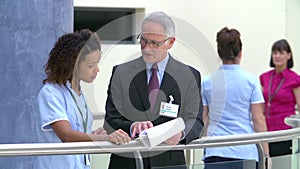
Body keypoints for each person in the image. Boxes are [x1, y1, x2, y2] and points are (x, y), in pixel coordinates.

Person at [103, 11, 203, 169]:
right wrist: (132, 126)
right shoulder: (121, 73)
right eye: (143, 40)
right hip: (128, 161)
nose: (147, 48)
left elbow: (196, 121)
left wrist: (180, 134)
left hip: (169, 162)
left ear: (170, 43)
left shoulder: (189, 76)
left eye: (154, 43)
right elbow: (110, 119)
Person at [37, 29, 131, 169]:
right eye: (91, 66)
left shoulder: (78, 93)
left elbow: (77, 133)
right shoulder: (51, 93)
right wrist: (104, 138)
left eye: (97, 64)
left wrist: (93, 134)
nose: (97, 70)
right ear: (73, 65)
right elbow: (66, 135)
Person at [201, 27, 269, 169]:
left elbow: (204, 119)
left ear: (220, 54)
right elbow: (258, 119)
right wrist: (266, 154)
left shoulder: (207, 82)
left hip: (215, 150)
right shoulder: (251, 81)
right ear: (240, 54)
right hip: (245, 151)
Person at [260, 39, 300, 157]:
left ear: (289, 55)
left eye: (281, 53)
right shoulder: (265, 77)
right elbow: (261, 105)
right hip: (266, 131)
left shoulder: (294, 79)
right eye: (275, 53)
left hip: (284, 132)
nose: (277, 56)